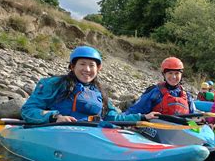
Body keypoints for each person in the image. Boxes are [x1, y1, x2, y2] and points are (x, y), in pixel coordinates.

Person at [21, 46, 158, 124]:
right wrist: (55, 117)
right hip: (58, 132)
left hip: (91, 134)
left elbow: (112, 117)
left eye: (91, 65)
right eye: (82, 64)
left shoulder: (99, 91)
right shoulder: (54, 84)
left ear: (98, 69)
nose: (87, 69)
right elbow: (28, 110)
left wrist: (142, 117)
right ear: (72, 66)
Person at [124, 57, 196, 115]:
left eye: (177, 73)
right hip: (156, 130)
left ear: (181, 75)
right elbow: (135, 111)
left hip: (178, 130)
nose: (174, 77)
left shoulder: (187, 96)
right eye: (170, 73)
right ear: (164, 75)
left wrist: (197, 124)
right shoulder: (155, 92)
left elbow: (192, 117)